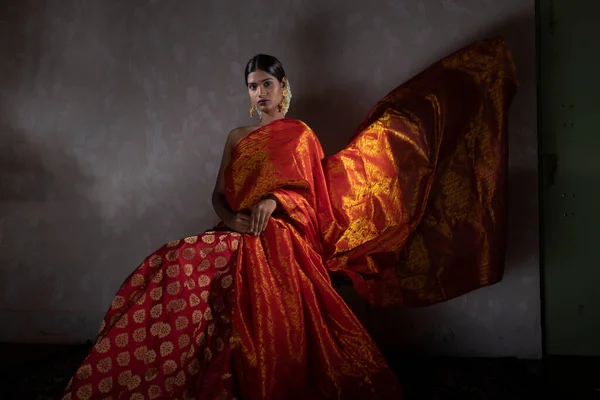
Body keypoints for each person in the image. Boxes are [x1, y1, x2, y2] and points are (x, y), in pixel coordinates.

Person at [62, 37, 518, 400]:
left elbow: (312, 197)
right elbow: (219, 195)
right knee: (174, 261)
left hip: (284, 232)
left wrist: (273, 202)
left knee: (252, 260)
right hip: (236, 229)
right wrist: (235, 218)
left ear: (284, 86)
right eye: (252, 86)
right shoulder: (237, 136)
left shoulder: (300, 135)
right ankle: (152, 373)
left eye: (266, 84)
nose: (259, 93)